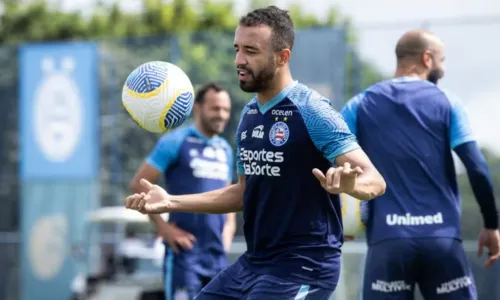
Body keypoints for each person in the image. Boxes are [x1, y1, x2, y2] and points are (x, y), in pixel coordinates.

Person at [126, 6, 386, 299]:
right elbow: (242, 192)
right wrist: (170, 201)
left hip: (304, 265)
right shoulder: (249, 115)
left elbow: (375, 181)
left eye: (251, 51)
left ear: (282, 57)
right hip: (255, 262)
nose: (239, 60)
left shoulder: (313, 111)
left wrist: (352, 185)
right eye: (237, 49)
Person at [341, 29, 500, 299]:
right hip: (441, 240)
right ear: (427, 58)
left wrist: (342, 222)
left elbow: (333, 161)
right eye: (442, 60)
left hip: (388, 242)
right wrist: (492, 224)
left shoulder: (360, 103)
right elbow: (476, 167)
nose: (444, 68)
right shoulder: (447, 102)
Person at [129, 82, 236, 300]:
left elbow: (230, 197)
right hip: (184, 255)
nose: (222, 115)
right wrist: (164, 229)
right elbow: (139, 184)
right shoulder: (175, 141)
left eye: (226, 110)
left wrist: (228, 232)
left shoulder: (225, 149)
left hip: (217, 257)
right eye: (215, 108)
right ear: (198, 108)